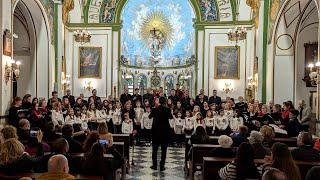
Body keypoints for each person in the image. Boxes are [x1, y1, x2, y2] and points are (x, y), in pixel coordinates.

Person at [149, 97, 173, 171]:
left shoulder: (154, 109)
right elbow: (171, 117)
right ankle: (162, 166)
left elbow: (149, 117)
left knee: (155, 150)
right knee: (164, 150)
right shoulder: (167, 109)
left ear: (159, 102)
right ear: (165, 102)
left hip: (155, 132)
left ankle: (155, 165)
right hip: (165, 133)